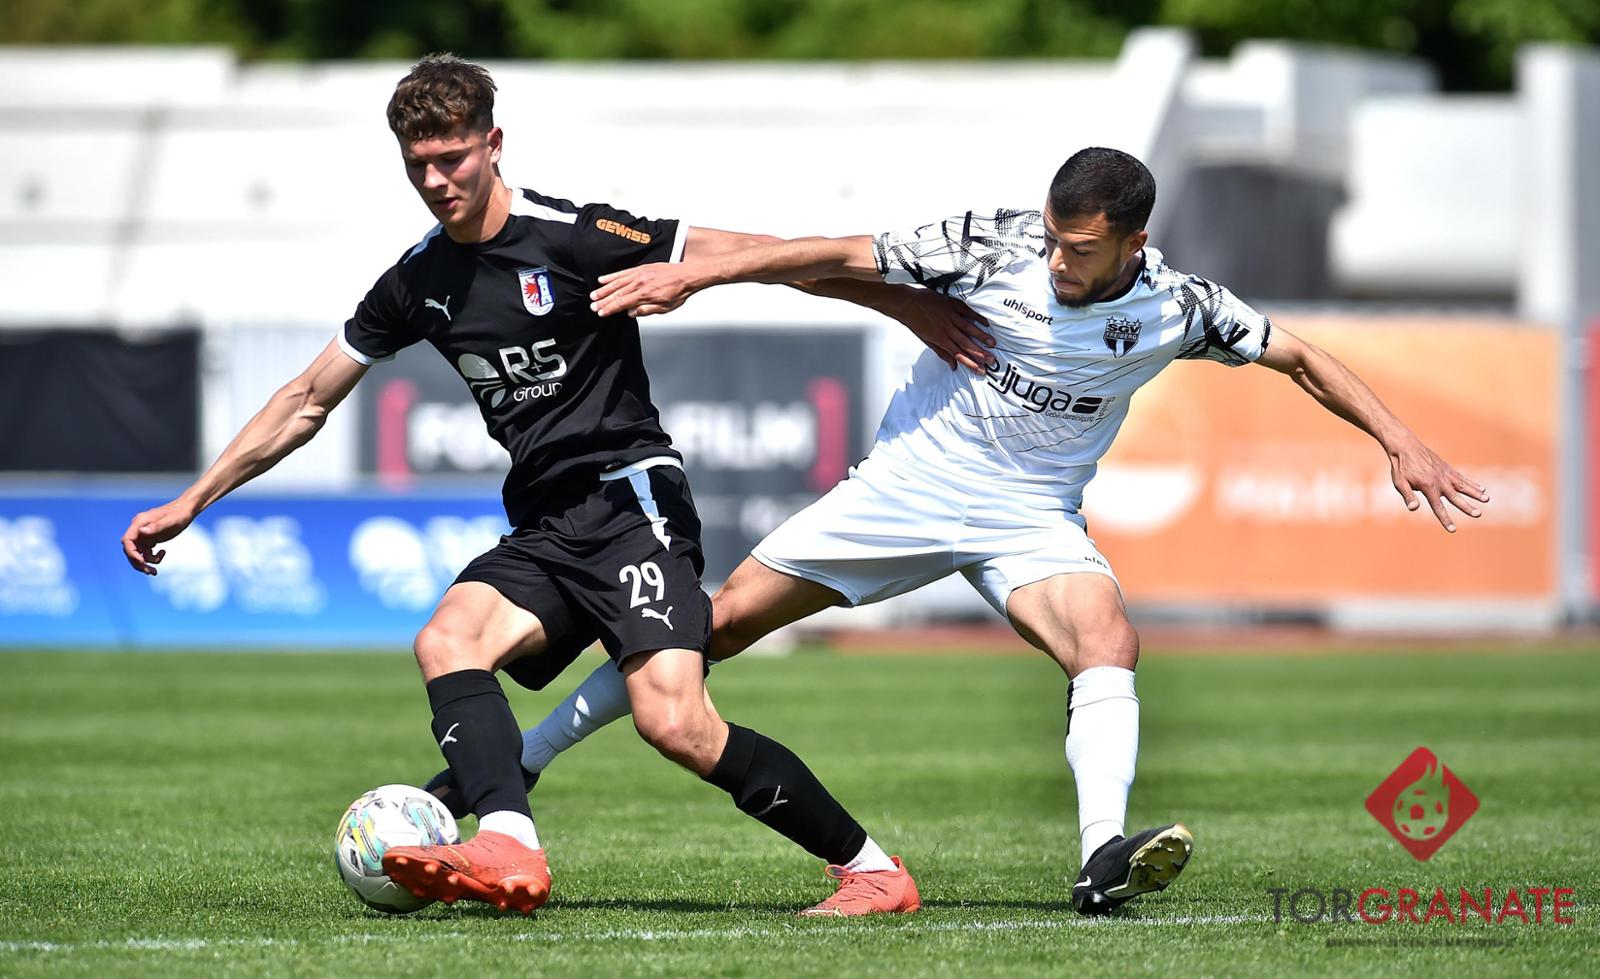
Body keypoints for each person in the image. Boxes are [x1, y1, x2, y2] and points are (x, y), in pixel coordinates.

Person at [446, 146, 1492, 916]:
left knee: (1107, 640)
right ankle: (524, 761)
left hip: (1029, 517)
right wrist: (697, 273)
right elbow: (832, 253)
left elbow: (1298, 354)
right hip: (907, 486)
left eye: (1080, 249)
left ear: (1133, 243)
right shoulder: (990, 245)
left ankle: (1100, 855)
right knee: (706, 628)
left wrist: (1400, 439)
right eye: (1052, 237)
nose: (1057, 259)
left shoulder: (1181, 306)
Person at [118, 54, 996, 918]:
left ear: (493, 143)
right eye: (418, 165)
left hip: (631, 504)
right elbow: (307, 398)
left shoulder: (573, 237)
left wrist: (900, 301)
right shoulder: (418, 281)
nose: (436, 181)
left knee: (675, 723)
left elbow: (753, 254)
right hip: (543, 521)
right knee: (447, 639)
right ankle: (509, 843)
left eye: (451, 158)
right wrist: (192, 500)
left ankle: (872, 871)